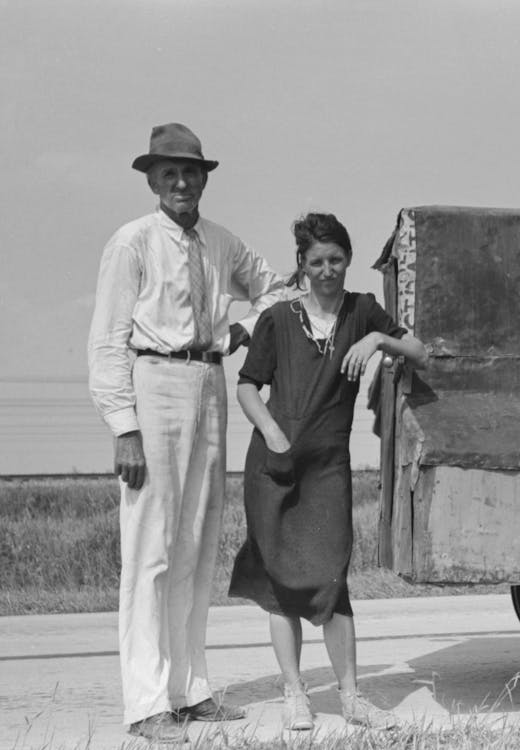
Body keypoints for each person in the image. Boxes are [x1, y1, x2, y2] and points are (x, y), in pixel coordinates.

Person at [88, 123, 286, 743]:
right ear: (151, 179)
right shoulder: (133, 243)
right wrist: (125, 427)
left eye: (191, 172)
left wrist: (242, 330)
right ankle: (148, 702)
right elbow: (105, 341)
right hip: (154, 385)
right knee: (150, 549)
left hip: (208, 386)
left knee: (196, 545)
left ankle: (189, 689)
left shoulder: (221, 243)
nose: (181, 182)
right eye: (169, 172)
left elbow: (278, 288)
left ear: (204, 178)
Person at [228, 212, 428, 731]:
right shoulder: (276, 319)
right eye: (316, 261)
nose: (327, 270)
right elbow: (247, 385)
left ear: (348, 260)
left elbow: (420, 351)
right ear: (301, 264)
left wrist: (379, 341)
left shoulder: (363, 311)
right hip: (274, 466)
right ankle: (294, 692)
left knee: (332, 581)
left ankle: (352, 697)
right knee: (280, 586)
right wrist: (272, 432)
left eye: (336, 259)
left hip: (327, 468)